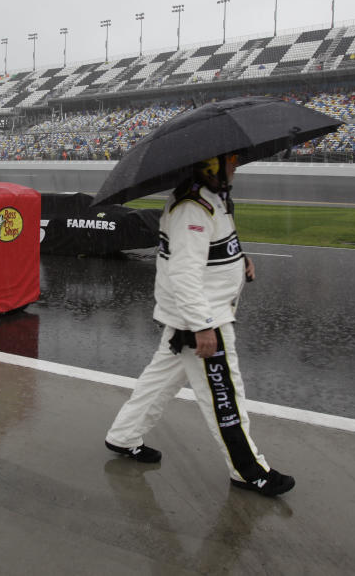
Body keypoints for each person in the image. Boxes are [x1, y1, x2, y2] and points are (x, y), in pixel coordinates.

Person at [104, 153, 295, 497]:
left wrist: (241, 261)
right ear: (211, 166)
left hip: (189, 317)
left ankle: (123, 436)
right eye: (231, 162)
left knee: (156, 384)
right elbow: (184, 273)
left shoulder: (210, 199)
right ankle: (249, 471)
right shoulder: (193, 208)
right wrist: (202, 325)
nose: (236, 167)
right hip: (204, 320)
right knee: (225, 399)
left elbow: (210, 251)